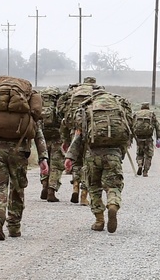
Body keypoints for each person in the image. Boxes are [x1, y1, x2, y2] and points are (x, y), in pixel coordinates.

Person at [0, 76, 49, 241]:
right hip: (20, 150)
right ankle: (14, 227)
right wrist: (43, 157)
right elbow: (37, 133)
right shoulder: (26, 104)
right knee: (17, 188)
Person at [64, 89, 133, 233]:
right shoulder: (119, 108)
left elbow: (79, 135)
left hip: (92, 154)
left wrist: (70, 156)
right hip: (113, 154)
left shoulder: (87, 108)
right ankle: (113, 204)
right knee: (113, 185)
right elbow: (127, 135)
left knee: (94, 187)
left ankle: (99, 220)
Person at [58, 76, 101, 205]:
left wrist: (65, 140)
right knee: (87, 163)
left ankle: (75, 187)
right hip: (89, 132)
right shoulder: (96, 92)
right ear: (94, 83)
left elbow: (63, 115)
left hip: (74, 130)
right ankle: (84, 196)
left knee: (76, 162)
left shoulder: (74, 92)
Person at [38, 86, 65, 202]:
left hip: (43, 135)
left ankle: (44, 184)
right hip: (57, 136)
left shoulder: (39, 102)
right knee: (56, 163)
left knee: (44, 160)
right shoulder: (59, 102)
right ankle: (51, 190)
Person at [132, 102, 160, 177]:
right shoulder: (151, 114)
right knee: (149, 155)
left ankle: (140, 164)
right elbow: (157, 127)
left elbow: (131, 125)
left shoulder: (136, 114)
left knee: (139, 154)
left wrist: (131, 138)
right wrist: (158, 139)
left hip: (139, 138)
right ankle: (145, 171)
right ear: (148, 107)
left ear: (141, 107)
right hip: (148, 138)